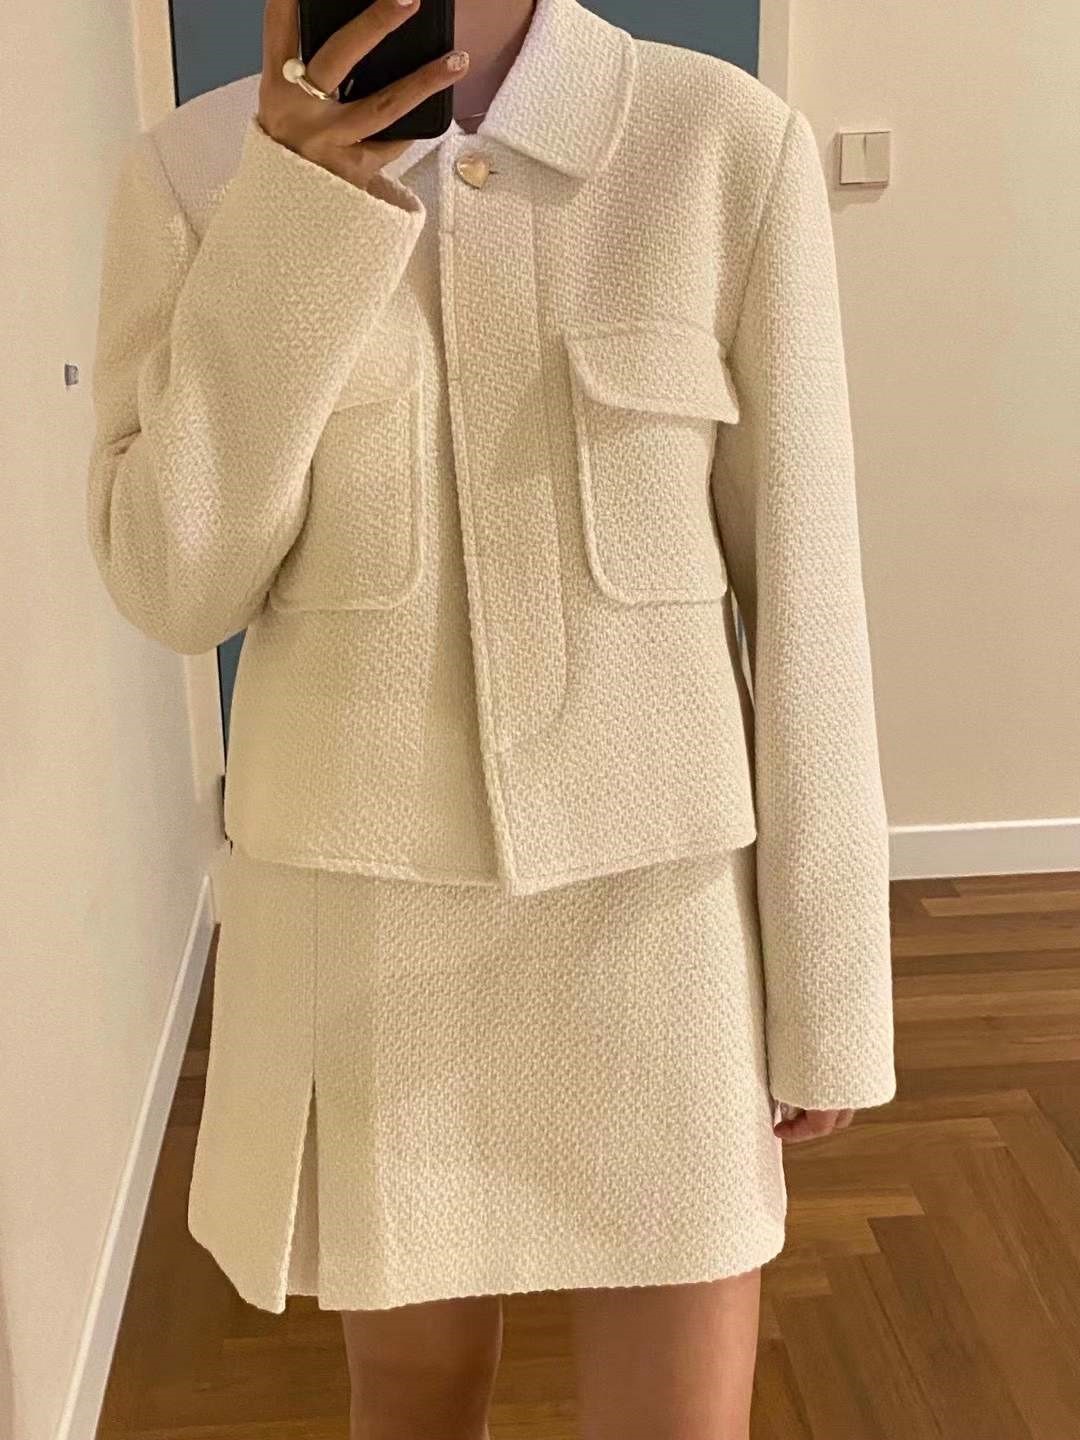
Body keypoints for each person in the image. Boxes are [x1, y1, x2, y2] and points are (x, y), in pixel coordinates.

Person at [85, 0, 897, 1434]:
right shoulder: (196, 174)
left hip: (656, 918)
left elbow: (807, 596)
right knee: (412, 1405)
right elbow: (171, 583)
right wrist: (295, 224)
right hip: (366, 924)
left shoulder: (718, 145)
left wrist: (829, 993)